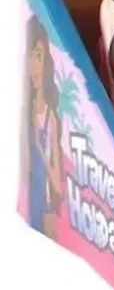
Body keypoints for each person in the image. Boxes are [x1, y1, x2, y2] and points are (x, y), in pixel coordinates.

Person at [24, 16, 63, 240]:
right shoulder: (25, 109)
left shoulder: (51, 118)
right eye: (30, 57)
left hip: (45, 207)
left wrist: (40, 147)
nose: (34, 66)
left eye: (38, 56)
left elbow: (57, 184)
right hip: (28, 205)